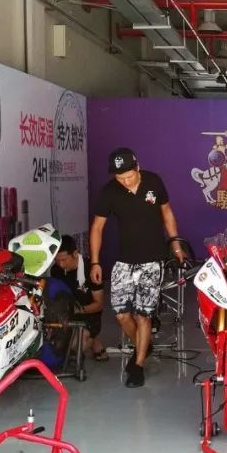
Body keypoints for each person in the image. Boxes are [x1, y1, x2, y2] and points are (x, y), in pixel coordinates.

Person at [90, 147, 185, 388]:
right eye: (120, 178)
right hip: (124, 261)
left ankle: (138, 364)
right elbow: (97, 228)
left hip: (152, 260)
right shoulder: (109, 191)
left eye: (129, 176)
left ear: (137, 167)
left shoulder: (153, 181)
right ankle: (144, 345)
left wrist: (175, 244)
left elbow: (167, 212)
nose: (125, 181)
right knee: (122, 314)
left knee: (144, 315)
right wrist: (95, 262)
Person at [51, 234, 107, 361]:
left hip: (88, 316)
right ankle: (92, 342)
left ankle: (91, 340)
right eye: (57, 260)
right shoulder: (56, 270)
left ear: (75, 254)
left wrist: (79, 309)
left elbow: (99, 304)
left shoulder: (90, 270)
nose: (61, 264)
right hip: (65, 314)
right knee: (55, 347)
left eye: (64, 260)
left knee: (74, 348)